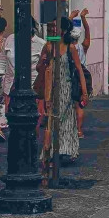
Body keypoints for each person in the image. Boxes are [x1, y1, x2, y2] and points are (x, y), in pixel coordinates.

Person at [39, 17, 88, 176]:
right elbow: (39, 66)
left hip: (66, 89)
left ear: (64, 30)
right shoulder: (48, 47)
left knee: (65, 120)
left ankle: (63, 150)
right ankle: (53, 150)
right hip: (51, 90)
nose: (53, 29)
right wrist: (44, 62)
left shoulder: (70, 48)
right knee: (53, 120)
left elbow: (80, 69)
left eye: (56, 26)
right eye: (51, 26)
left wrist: (85, 92)